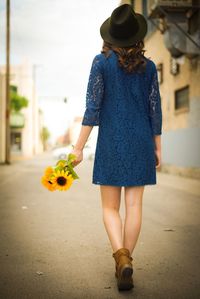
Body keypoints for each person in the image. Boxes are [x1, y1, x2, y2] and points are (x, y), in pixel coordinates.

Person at [70, 3, 162, 292]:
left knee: (111, 208)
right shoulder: (148, 67)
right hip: (141, 142)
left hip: (111, 143)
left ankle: (120, 257)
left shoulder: (101, 62)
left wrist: (78, 147)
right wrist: (157, 146)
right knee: (134, 206)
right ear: (137, 36)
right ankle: (127, 260)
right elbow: (155, 110)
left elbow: (92, 108)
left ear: (110, 36)